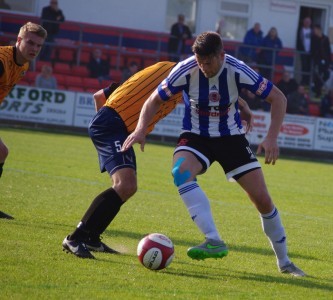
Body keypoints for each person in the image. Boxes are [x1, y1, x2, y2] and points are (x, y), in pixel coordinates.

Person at [122, 31, 306, 277]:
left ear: (221, 55)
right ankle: (213, 239)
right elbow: (153, 100)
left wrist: (271, 137)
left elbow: (278, 98)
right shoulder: (186, 69)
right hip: (196, 136)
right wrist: (141, 129)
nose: (203, 67)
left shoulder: (237, 69)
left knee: (262, 199)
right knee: (180, 172)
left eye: (207, 62)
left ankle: (285, 263)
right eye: (199, 61)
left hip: (230, 138)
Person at [62, 60, 254, 259]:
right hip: (111, 126)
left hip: (115, 128)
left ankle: (91, 237)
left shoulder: (176, 82)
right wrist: (108, 131)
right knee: (124, 184)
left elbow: (99, 96)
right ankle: (76, 238)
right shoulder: (176, 72)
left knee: (127, 186)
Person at [0, 22, 47, 219]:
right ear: (19, 40)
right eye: (30, 43)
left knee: (1, 152)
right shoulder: (1, 60)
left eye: (39, 46)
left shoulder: (24, 64)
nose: (34, 49)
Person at [310, 24, 331, 98]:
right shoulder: (314, 38)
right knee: (317, 75)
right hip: (317, 61)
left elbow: (328, 51)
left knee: (326, 75)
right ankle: (317, 91)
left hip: (325, 61)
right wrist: (315, 58)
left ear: (319, 29)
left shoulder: (325, 38)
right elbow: (312, 50)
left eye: (315, 29)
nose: (314, 31)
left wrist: (329, 62)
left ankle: (317, 88)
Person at [296, 17, 312, 85]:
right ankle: (303, 81)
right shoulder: (300, 30)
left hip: (310, 53)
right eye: (306, 21)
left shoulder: (312, 31)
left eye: (308, 22)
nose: (307, 23)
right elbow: (298, 40)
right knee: (303, 67)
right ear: (303, 22)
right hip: (302, 52)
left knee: (309, 67)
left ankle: (309, 82)